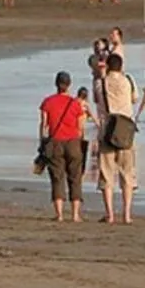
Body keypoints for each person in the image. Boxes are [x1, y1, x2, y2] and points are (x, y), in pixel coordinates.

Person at [39, 71, 85, 223]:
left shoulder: (48, 102)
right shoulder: (75, 103)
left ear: (56, 84)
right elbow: (80, 127)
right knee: (75, 177)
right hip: (72, 141)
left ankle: (59, 214)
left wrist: (42, 141)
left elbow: (44, 124)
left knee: (57, 177)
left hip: (55, 142)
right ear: (69, 85)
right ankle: (75, 214)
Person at [97, 54, 139, 224]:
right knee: (127, 174)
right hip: (126, 129)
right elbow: (135, 99)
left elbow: (98, 101)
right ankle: (127, 214)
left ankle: (110, 214)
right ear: (121, 66)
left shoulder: (101, 83)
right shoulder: (128, 80)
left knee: (107, 173)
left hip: (108, 128)